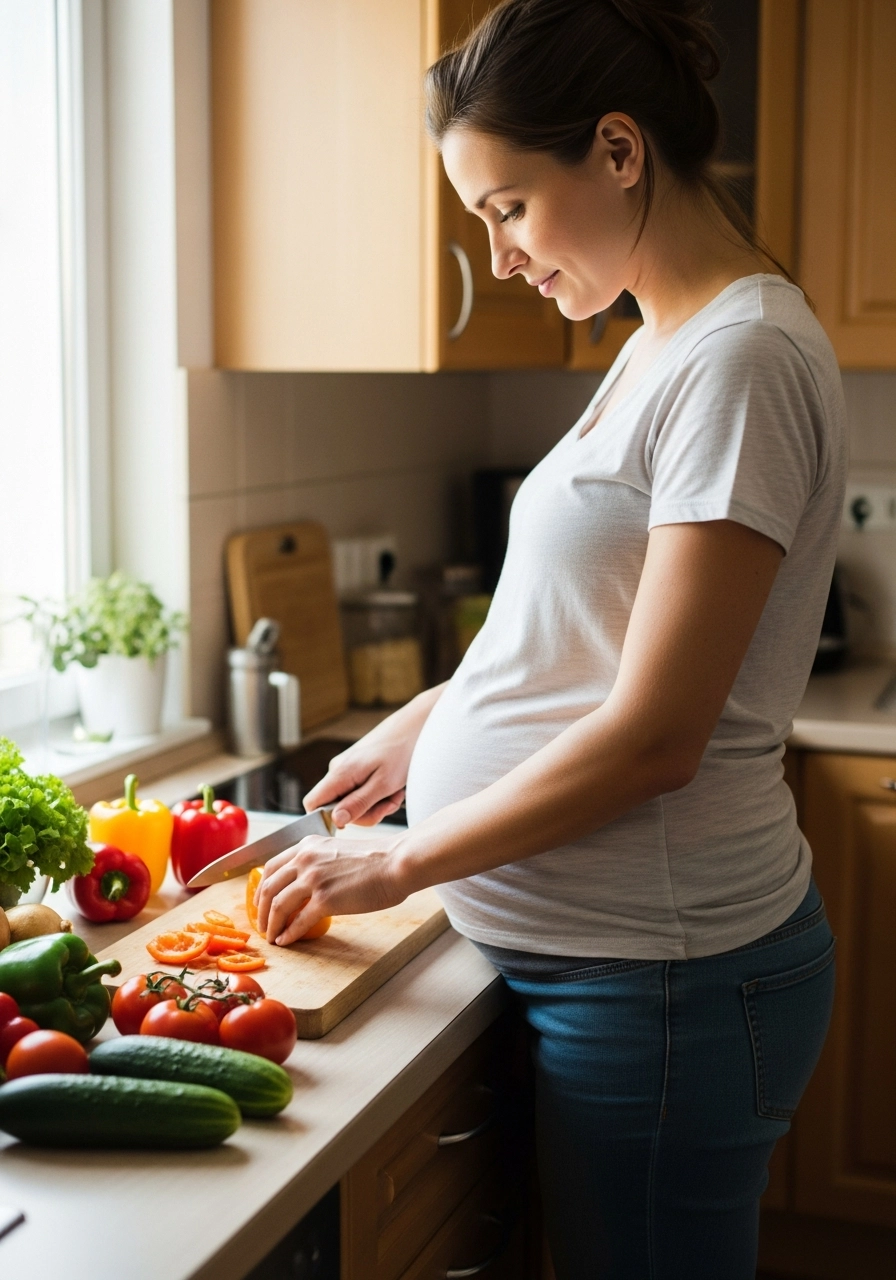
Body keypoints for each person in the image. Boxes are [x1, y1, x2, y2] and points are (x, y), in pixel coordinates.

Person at [255, 2, 845, 1275]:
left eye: (507, 207)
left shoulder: (736, 357)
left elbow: (655, 736)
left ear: (618, 151)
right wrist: (432, 717)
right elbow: (578, 623)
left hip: (663, 984)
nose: (504, 255)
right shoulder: (657, 340)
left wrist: (400, 869)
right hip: (607, 968)